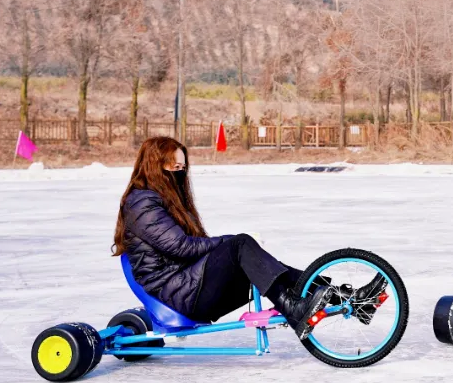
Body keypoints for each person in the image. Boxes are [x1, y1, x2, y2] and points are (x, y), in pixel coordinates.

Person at [112, 137, 385, 339]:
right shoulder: (142, 203)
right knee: (240, 245)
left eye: (183, 166)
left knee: (270, 267)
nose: (180, 172)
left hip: (190, 285)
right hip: (179, 294)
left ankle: (350, 299)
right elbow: (181, 247)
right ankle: (294, 309)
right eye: (173, 166)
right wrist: (232, 241)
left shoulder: (167, 201)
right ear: (154, 165)